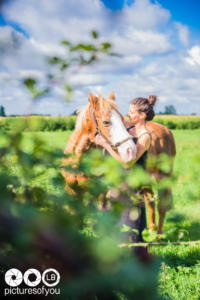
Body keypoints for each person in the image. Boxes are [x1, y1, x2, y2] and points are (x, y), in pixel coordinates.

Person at [95, 95, 157, 258]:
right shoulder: (127, 130)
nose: (128, 115)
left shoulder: (145, 136)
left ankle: (137, 269)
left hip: (132, 190)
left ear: (142, 116)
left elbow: (127, 163)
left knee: (130, 232)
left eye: (131, 112)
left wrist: (105, 145)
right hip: (117, 186)